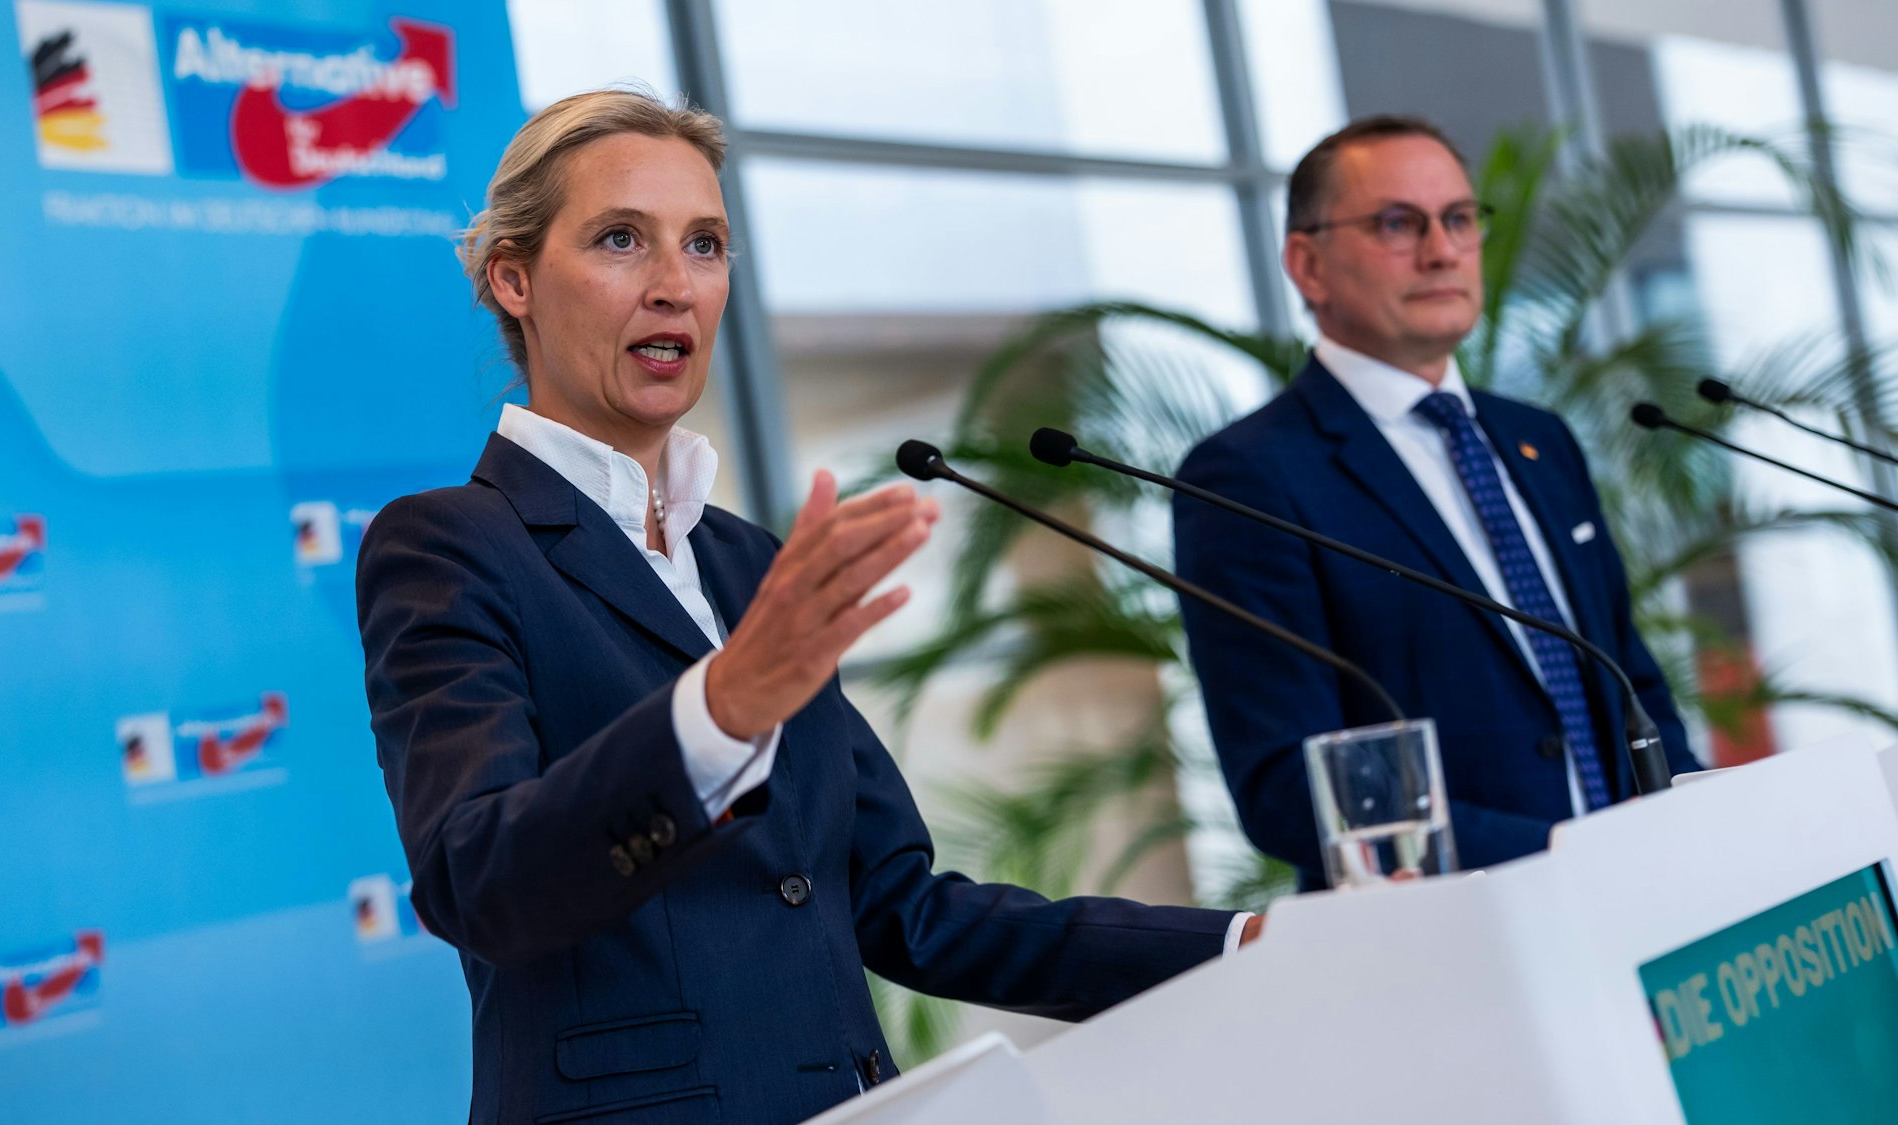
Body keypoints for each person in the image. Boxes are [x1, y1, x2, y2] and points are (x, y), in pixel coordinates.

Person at [356, 90, 1254, 1125]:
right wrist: (717, 713)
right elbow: (480, 881)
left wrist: (1236, 946)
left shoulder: (750, 567)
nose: (671, 287)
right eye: (619, 240)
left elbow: (904, 908)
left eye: (705, 245)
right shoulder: (450, 545)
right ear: (512, 278)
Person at [1173, 115, 1701, 891]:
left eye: (1458, 219)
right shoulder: (1248, 477)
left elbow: (1631, 681)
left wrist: (1696, 821)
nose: (1442, 249)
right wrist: (1564, 857)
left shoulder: (1538, 439)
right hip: (1457, 930)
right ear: (1307, 264)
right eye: (1398, 223)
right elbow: (1288, 786)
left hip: (1641, 897)